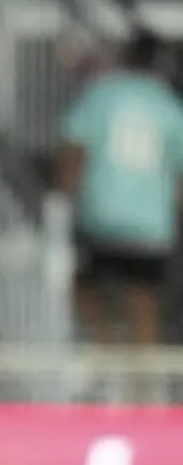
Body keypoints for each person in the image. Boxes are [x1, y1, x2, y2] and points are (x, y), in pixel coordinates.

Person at [57, 30, 183, 347]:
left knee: (83, 287)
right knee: (143, 299)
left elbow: (75, 149)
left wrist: (63, 197)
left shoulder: (102, 95)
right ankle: (144, 383)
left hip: (102, 214)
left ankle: (104, 346)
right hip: (150, 224)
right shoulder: (169, 107)